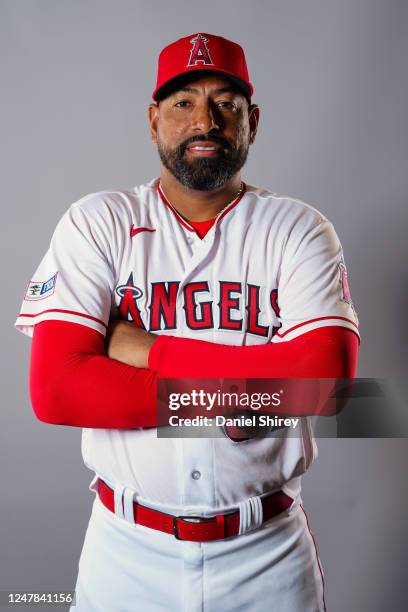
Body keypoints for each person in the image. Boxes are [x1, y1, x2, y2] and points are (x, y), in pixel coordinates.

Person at [15, 32, 359, 611]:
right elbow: (57, 391)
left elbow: (327, 385)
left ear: (252, 120)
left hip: (266, 553)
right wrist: (238, 396)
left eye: (225, 102)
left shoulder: (300, 229)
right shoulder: (99, 221)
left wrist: (149, 350)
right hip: (126, 552)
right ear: (153, 121)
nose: (205, 120)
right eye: (183, 103)